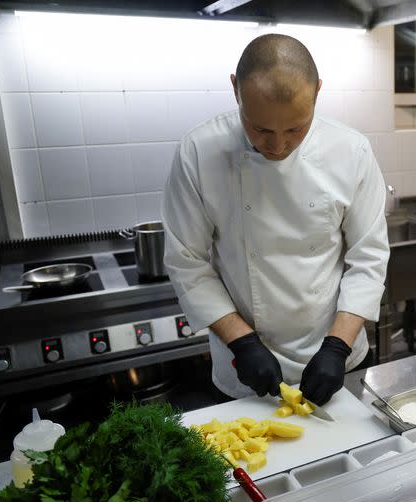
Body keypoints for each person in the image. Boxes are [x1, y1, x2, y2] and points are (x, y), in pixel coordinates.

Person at [162, 34, 390, 405]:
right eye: (261, 129)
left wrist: (337, 347)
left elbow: (369, 257)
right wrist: (243, 342)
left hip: (337, 357)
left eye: (296, 129)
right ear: (235, 89)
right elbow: (187, 262)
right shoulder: (198, 152)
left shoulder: (351, 151)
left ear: (317, 92)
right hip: (246, 368)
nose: (278, 146)